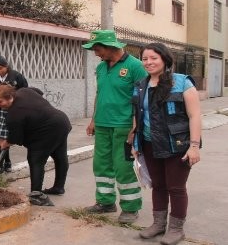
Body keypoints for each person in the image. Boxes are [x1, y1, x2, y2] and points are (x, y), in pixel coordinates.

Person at [131, 43, 201, 245]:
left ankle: (176, 229)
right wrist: (135, 142)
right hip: (149, 144)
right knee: (158, 186)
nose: (149, 62)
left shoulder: (182, 82)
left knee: (176, 187)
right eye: (145, 58)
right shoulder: (141, 85)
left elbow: (194, 115)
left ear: (165, 59)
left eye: (154, 58)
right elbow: (138, 116)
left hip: (176, 144)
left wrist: (194, 146)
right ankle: (158, 224)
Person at [82, 29, 148, 224]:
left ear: (111, 46)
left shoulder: (135, 66)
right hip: (102, 124)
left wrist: (135, 127)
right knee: (101, 165)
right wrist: (93, 120)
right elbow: (99, 94)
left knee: (123, 167)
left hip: (124, 125)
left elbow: (142, 99)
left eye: (98, 48)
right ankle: (105, 202)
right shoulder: (101, 68)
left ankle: (130, 208)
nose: (96, 53)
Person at [0, 84, 71, 206]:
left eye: (0, 101)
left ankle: (37, 195)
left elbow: (16, 138)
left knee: (35, 159)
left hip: (47, 129)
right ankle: (58, 187)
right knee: (59, 156)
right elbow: (38, 92)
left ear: (9, 97)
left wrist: (5, 143)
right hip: (61, 121)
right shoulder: (24, 91)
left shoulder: (14, 115)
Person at [0, 55, 28, 173]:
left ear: (6, 66)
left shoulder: (16, 76)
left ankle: (4, 163)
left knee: (8, 137)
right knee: (2, 137)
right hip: (0, 111)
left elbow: (25, 90)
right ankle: (4, 163)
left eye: (0, 68)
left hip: (13, 110)